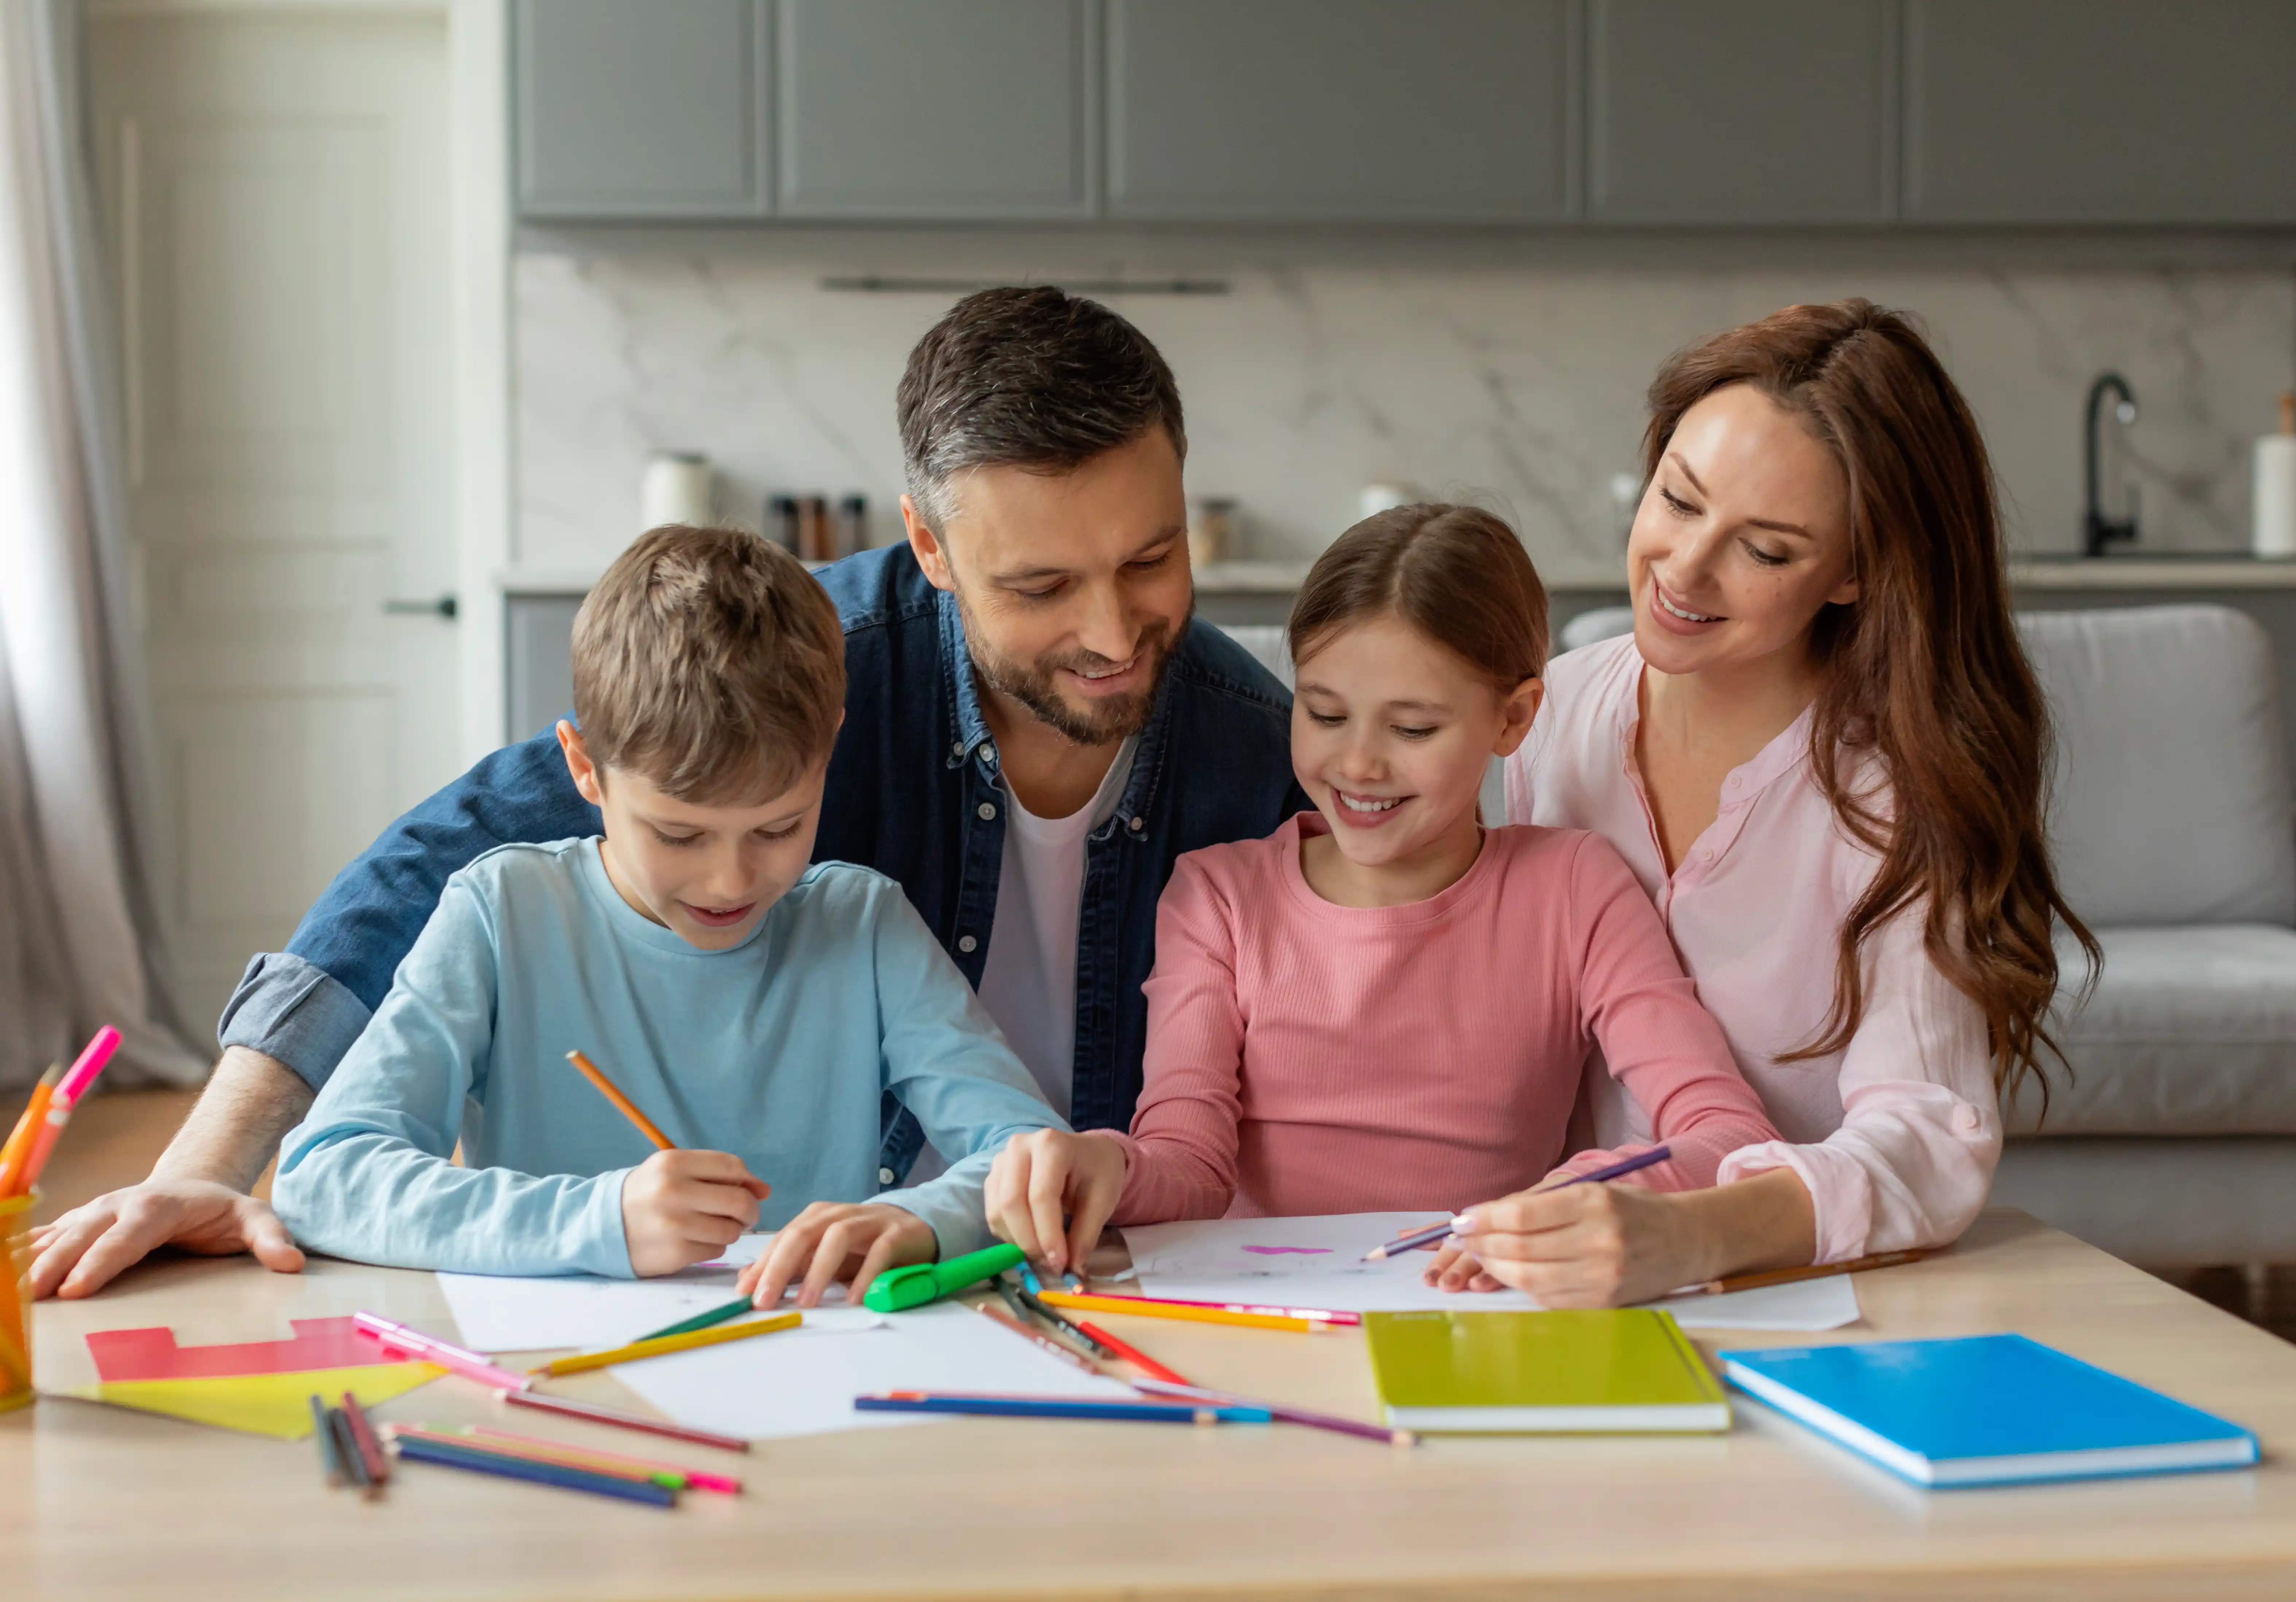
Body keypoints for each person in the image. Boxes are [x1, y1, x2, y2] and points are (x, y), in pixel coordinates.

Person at [31, 286, 1304, 1298]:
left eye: (1152, 558)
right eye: (1038, 588)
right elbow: (430, 871)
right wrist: (204, 1168)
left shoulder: (1256, 748)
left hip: (1034, 1267)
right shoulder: (814, 664)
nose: (1113, 631)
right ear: (930, 547)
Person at [1426, 300, 2099, 1307]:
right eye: (1678, 500)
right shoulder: (1549, 713)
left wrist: (1691, 1237)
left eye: (1767, 550)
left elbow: (1925, 1135)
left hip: (1791, 1298)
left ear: (1856, 573)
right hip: (1529, 1281)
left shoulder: (1895, 789)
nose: (1685, 570)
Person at [273, 527, 1071, 1304]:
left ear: (831, 746)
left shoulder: (863, 928)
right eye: (679, 833)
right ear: (584, 766)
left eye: (778, 827)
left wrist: (915, 1220)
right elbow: (324, 1179)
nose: (731, 878)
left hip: (810, 1363)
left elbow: (1028, 1155)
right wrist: (597, 1220)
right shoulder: (501, 916)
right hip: (564, 1375)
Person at [983, 505, 1785, 1275]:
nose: (1358, 766)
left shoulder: (1574, 888)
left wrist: (1582, 1197)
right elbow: (1190, 1166)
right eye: (1326, 715)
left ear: (1513, 719)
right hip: (1268, 1312)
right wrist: (1101, 1163)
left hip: (1475, 1308)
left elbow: (1724, 1131)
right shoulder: (1219, 896)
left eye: (1411, 730)